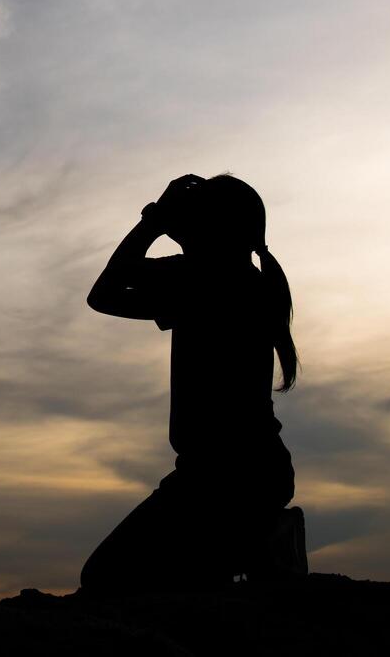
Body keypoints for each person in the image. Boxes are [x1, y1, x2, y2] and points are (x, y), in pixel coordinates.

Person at [80, 173, 301, 593]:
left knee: (105, 577)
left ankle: (259, 551)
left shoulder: (200, 279)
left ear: (211, 228)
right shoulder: (245, 281)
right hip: (257, 473)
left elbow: (104, 293)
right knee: (186, 574)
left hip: (215, 481)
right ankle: (258, 546)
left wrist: (155, 219)